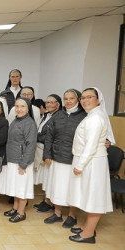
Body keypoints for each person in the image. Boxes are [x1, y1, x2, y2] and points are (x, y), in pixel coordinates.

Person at [68, 87, 114, 244]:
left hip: (91, 162)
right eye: (83, 98)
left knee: (94, 198)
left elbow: (91, 145)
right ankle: (87, 227)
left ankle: (88, 234)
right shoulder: (93, 115)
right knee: (89, 195)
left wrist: (80, 165)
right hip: (91, 160)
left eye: (90, 97)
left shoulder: (95, 118)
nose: (85, 100)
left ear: (98, 99)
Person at [42, 89, 86, 225]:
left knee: (72, 189)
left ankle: (72, 216)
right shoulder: (58, 115)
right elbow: (49, 136)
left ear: (77, 100)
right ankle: (57, 213)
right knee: (57, 187)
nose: (68, 101)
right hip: (56, 157)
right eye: (65, 98)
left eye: (71, 98)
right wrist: (47, 154)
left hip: (74, 159)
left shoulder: (84, 116)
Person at [4, 97, 37, 223]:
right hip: (13, 160)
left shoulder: (29, 123)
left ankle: (21, 213)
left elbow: (31, 145)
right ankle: (15, 208)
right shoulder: (15, 121)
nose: (19, 109)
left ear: (28, 108)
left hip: (22, 162)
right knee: (16, 187)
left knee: (22, 189)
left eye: (22, 106)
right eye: (17, 106)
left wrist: (24, 164)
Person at [32, 94, 62, 213]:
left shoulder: (59, 116)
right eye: (47, 102)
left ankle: (50, 202)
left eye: (52, 102)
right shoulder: (46, 115)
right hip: (42, 150)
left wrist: (37, 137)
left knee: (50, 178)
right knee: (46, 177)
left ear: (58, 104)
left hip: (50, 151)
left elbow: (51, 136)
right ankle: (46, 200)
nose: (48, 104)